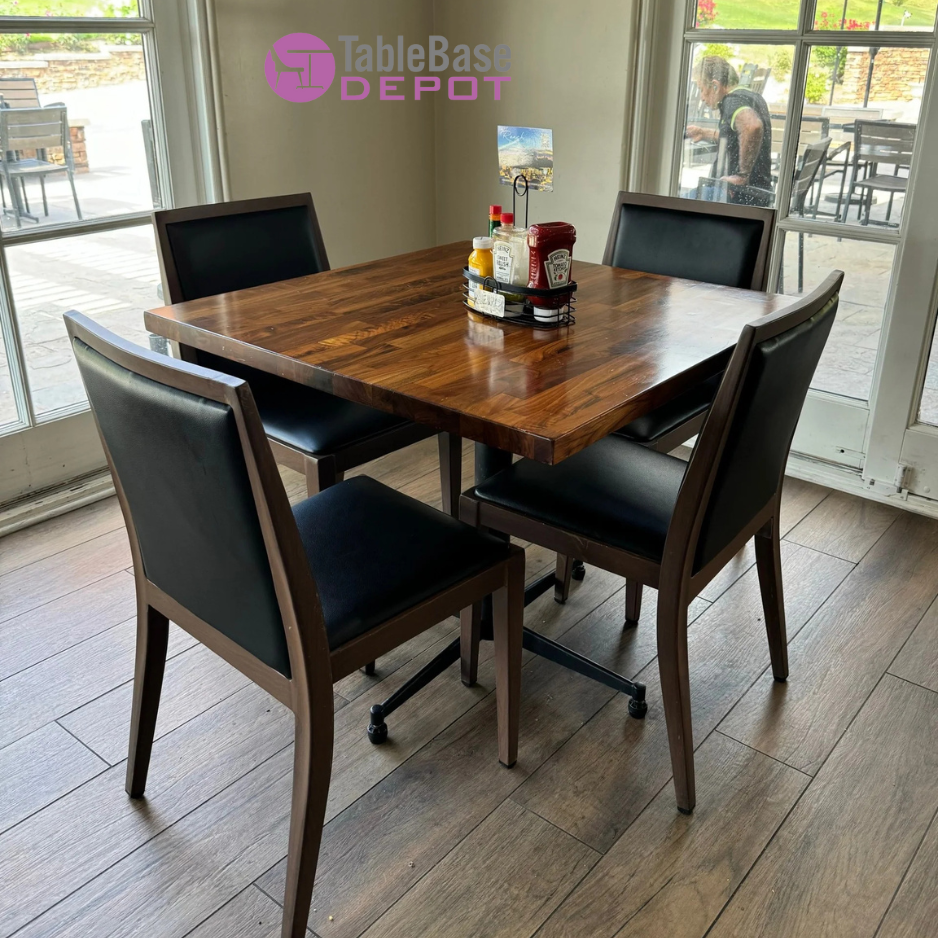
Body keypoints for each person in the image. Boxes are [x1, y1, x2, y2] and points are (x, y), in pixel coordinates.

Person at [686, 56, 773, 206]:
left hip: (740, 197)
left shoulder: (732, 101)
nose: (701, 97)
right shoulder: (753, 96)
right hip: (756, 194)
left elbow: (752, 126)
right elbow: (738, 137)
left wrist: (742, 176)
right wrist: (703, 132)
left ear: (715, 86)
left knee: (677, 202)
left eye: (701, 89)